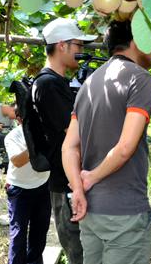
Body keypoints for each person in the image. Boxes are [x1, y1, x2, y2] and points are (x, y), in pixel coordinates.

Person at [62, 20, 151, 264]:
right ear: (137, 41)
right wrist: (91, 177)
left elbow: (69, 146)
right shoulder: (140, 79)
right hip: (123, 212)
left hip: (91, 211)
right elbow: (125, 147)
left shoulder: (88, 85)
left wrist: (79, 189)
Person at [32, 17, 96, 264]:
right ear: (62, 45)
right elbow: (73, 130)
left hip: (73, 180)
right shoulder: (48, 85)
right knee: (79, 253)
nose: (81, 53)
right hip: (66, 183)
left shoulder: (60, 83)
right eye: (78, 46)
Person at [4, 111, 51, 264]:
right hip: (19, 189)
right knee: (18, 234)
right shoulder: (13, 136)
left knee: (39, 232)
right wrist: (35, 144)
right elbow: (17, 161)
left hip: (43, 186)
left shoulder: (47, 132)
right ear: (19, 119)